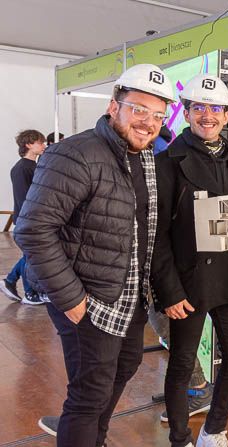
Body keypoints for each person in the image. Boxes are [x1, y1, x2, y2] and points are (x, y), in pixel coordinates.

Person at [14, 63, 174, 447]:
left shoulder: (145, 158)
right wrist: (69, 296)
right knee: (89, 395)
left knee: (124, 367)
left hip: (128, 293)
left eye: (157, 116)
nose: (147, 122)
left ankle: (96, 439)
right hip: (87, 297)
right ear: (113, 106)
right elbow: (33, 229)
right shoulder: (75, 153)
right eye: (139, 109)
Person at [151, 73, 228, 447]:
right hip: (188, 283)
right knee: (181, 364)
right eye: (199, 108)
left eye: (215, 109)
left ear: (226, 116)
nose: (207, 116)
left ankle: (214, 430)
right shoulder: (167, 163)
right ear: (187, 113)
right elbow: (158, 235)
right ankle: (180, 439)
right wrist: (169, 290)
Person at [1, 130, 46, 305]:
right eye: (39, 142)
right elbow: (24, 198)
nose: (43, 145)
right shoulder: (21, 169)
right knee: (31, 255)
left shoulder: (34, 166)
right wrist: (33, 221)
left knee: (31, 255)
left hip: (34, 218)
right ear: (28, 144)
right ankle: (29, 293)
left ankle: (10, 281)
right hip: (26, 219)